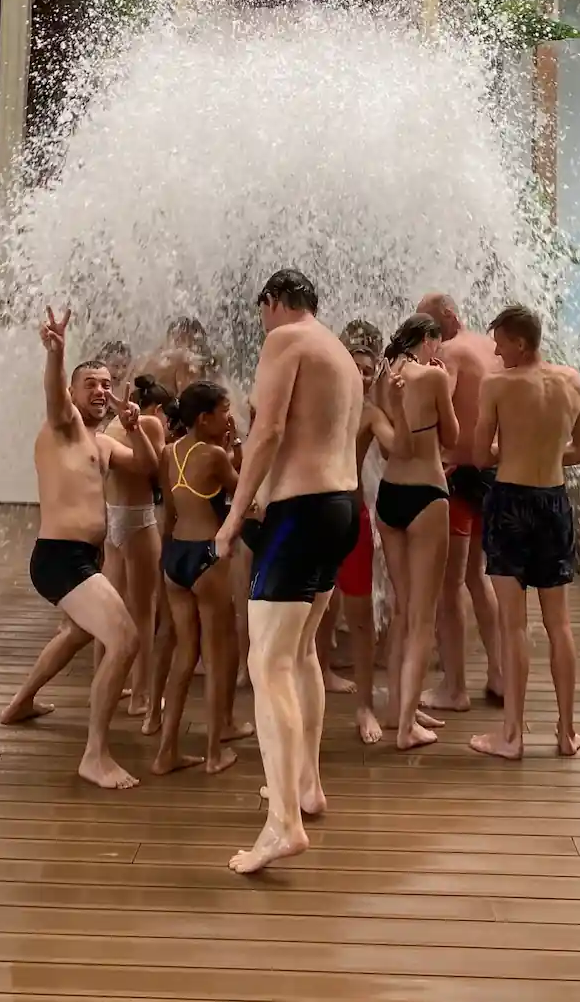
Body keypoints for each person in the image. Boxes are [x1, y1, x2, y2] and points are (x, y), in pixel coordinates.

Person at [215, 268, 361, 875]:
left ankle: (283, 826)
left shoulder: (286, 340)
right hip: (341, 507)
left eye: (261, 312)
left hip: (300, 513)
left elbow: (269, 430)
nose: (262, 324)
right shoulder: (341, 356)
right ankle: (305, 785)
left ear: (272, 302)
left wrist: (231, 521)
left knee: (267, 662)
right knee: (301, 656)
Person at [0, 307, 156, 789]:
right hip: (58, 557)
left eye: (106, 383)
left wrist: (134, 426)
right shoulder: (61, 426)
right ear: (72, 392)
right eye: (90, 383)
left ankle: (20, 702)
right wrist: (57, 351)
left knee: (76, 634)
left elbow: (150, 469)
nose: (100, 390)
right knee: (125, 638)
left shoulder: (103, 442)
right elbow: (53, 392)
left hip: (82, 559)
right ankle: (94, 754)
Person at [468, 304, 580, 763]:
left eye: (500, 342)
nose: (496, 351)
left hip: (510, 505)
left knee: (513, 622)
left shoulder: (498, 384)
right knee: (559, 624)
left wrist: (510, 448)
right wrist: (543, 451)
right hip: (554, 503)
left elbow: (481, 455)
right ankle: (567, 732)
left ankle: (512, 736)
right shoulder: (572, 381)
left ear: (521, 342)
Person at [153, 380, 253, 774]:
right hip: (207, 556)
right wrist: (241, 442)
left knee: (184, 655)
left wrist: (164, 560)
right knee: (218, 656)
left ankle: (166, 752)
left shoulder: (168, 452)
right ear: (205, 418)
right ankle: (214, 752)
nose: (230, 417)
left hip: (175, 556)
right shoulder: (213, 454)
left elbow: (171, 512)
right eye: (225, 411)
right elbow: (241, 489)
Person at [374, 313, 459, 751]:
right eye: (437, 343)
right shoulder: (433, 378)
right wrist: (448, 385)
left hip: (390, 495)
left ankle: (398, 709)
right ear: (427, 340)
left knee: (403, 609)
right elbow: (453, 436)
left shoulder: (380, 378)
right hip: (426, 491)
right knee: (422, 616)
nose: (439, 351)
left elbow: (386, 440)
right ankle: (407, 727)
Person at [320, 322, 408, 744]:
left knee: (359, 618)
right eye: (355, 367)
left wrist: (395, 400)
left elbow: (397, 448)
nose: (362, 376)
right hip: (311, 515)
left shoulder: (372, 413)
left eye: (369, 370)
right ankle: (317, 678)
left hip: (351, 516)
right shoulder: (316, 403)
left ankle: (365, 707)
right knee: (310, 610)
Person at [416, 292, 503, 711]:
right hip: (493, 473)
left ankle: (454, 688)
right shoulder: (493, 349)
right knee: (478, 576)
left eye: (431, 326)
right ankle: (500, 675)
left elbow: (438, 408)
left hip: (458, 477)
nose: (429, 338)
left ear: (449, 317)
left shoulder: (449, 353)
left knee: (449, 585)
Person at [101, 377, 167, 716]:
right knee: (144, 611)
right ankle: (141, 695)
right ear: (158, 408)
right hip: (138, 518)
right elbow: (154, 470)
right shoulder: (150, 422)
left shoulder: (109, 424)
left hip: (111, 518)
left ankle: (102, 686)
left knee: (110, 608)